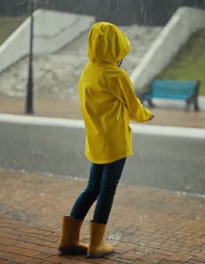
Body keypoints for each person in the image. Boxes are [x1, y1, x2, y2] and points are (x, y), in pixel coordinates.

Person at [58, 22, 154, 258]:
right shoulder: (117, 75)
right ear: (116, 47)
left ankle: (68, 239)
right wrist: (147, 115)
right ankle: (96, 244)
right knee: (107, 190)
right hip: (115, 142)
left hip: (96, 139)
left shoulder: (88, 71)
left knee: (92, 188)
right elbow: (133, 107)